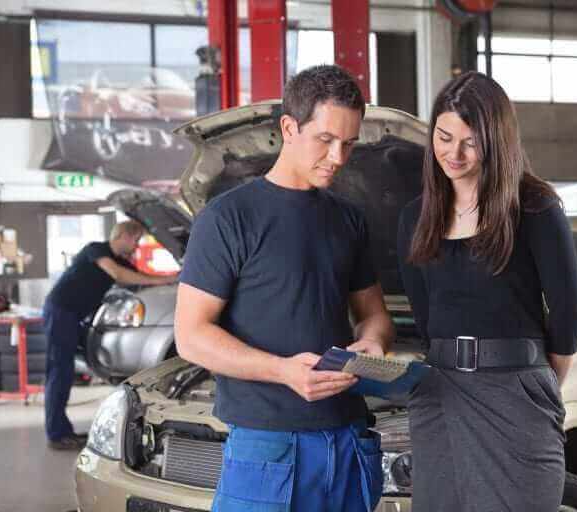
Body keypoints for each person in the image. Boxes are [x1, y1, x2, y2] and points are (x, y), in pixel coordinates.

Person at [174, 64, 395, 512]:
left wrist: (372, 342)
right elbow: (191, 336)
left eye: (349, 144)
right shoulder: (228, 219)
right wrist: (283, 371)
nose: (338, 157)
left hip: (349, 440)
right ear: (289, 127)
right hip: (267, 450)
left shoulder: (347, 218)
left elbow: (374, 314)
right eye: (326, 140)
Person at [397, 71, 577, 511]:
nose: (453, 153)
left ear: (496, 139)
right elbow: (424, 315)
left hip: (515, 389)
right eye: (443, 137)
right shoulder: (415, 217)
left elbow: (568, 315)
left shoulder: (535, 207)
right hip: (439, 391)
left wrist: (535, 383)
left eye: (470, 141)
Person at [44, 220, 178, 450]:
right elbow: (119, 275)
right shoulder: (96, 250)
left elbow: (141, 281)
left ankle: (60, 431)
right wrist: (166, 279)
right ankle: (57, 434)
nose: (136, 246)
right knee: (60, 372)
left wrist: (174, 278)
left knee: (63, 371)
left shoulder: (120, 262)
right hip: (61, 311)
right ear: (124, 235)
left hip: (75, 316)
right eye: (136, 240)